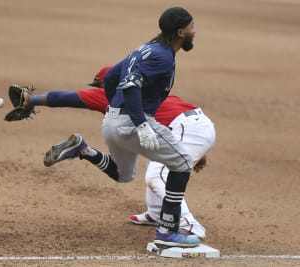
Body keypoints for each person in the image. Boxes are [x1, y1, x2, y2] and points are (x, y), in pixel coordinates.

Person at [43, 6, 199, 247]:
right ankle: (167, 231)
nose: (194, 31)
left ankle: (85, 150)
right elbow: (130, 84)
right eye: (191, 27)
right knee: (182, 164)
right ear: (180, 32)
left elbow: (112, 77)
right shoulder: (163, 57)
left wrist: (114, 107)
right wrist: (141, 124)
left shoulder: (145, 48)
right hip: (132, 121)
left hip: (113, 121)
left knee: (123, 175)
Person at [19, 66, 215, 239]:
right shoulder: (148, 90)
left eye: (99, 86)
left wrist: (31, 100)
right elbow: (176, 112)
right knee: (148, 163)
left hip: (187, 129)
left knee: (157, 176)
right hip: (192, 126)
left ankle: (189, 225)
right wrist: (197, 148)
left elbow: (64, 98)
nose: (97, 90)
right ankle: (156, 212)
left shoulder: (111, 94)